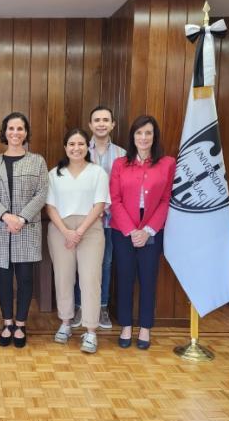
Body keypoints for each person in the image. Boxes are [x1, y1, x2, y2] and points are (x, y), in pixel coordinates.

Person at [110, 115, 176, 350]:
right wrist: (131, 230)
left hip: (152, 231)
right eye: (139, 133)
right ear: (133, 137)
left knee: (148, 279)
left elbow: (167, 200)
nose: (144, 137)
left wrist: (147, 230)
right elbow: (115, 200)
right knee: (125, 279)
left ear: (154, 136)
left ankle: (145, 327)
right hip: (123, 232)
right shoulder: (120, 164)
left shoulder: (168, 163)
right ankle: (126, 325)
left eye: (148, 133)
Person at [0, 112, 49, 348]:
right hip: (0, 228)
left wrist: (21, 218)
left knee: (25, 278)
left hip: (26, 228)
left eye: (20, 129)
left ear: (26, 133)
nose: (15, 133)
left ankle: (20, 324)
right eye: (11, 128)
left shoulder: (37, 161)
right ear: (5, 132)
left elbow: (42, 193)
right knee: (2, 279)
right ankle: (7, 322)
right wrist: (5, 216)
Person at [46, 128, 110, 353]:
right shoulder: (55, 174)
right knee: (63, 278)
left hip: (90, 230)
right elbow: (50, 207)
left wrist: (79, 232)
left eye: (81, 144)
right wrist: (66, 232)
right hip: (60, 230)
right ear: (65, 147)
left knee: (90, 279)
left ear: (87, 147)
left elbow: (100, 204)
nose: (76, 148)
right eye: (71, 144)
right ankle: (65, 323)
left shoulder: (98, 172)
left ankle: (91, 331)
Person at [86, 106, 126, 329]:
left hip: (111, 221)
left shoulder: (122, 154)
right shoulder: (80, 149)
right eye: (96, 120)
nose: (101, 124)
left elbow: (123, 188)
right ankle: (81, 307)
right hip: (85, 221)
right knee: (82, 264)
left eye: (105, 120)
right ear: (90, 125)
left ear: (112, 125)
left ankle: (101, 308)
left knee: (105, 264)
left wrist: (105, 207)